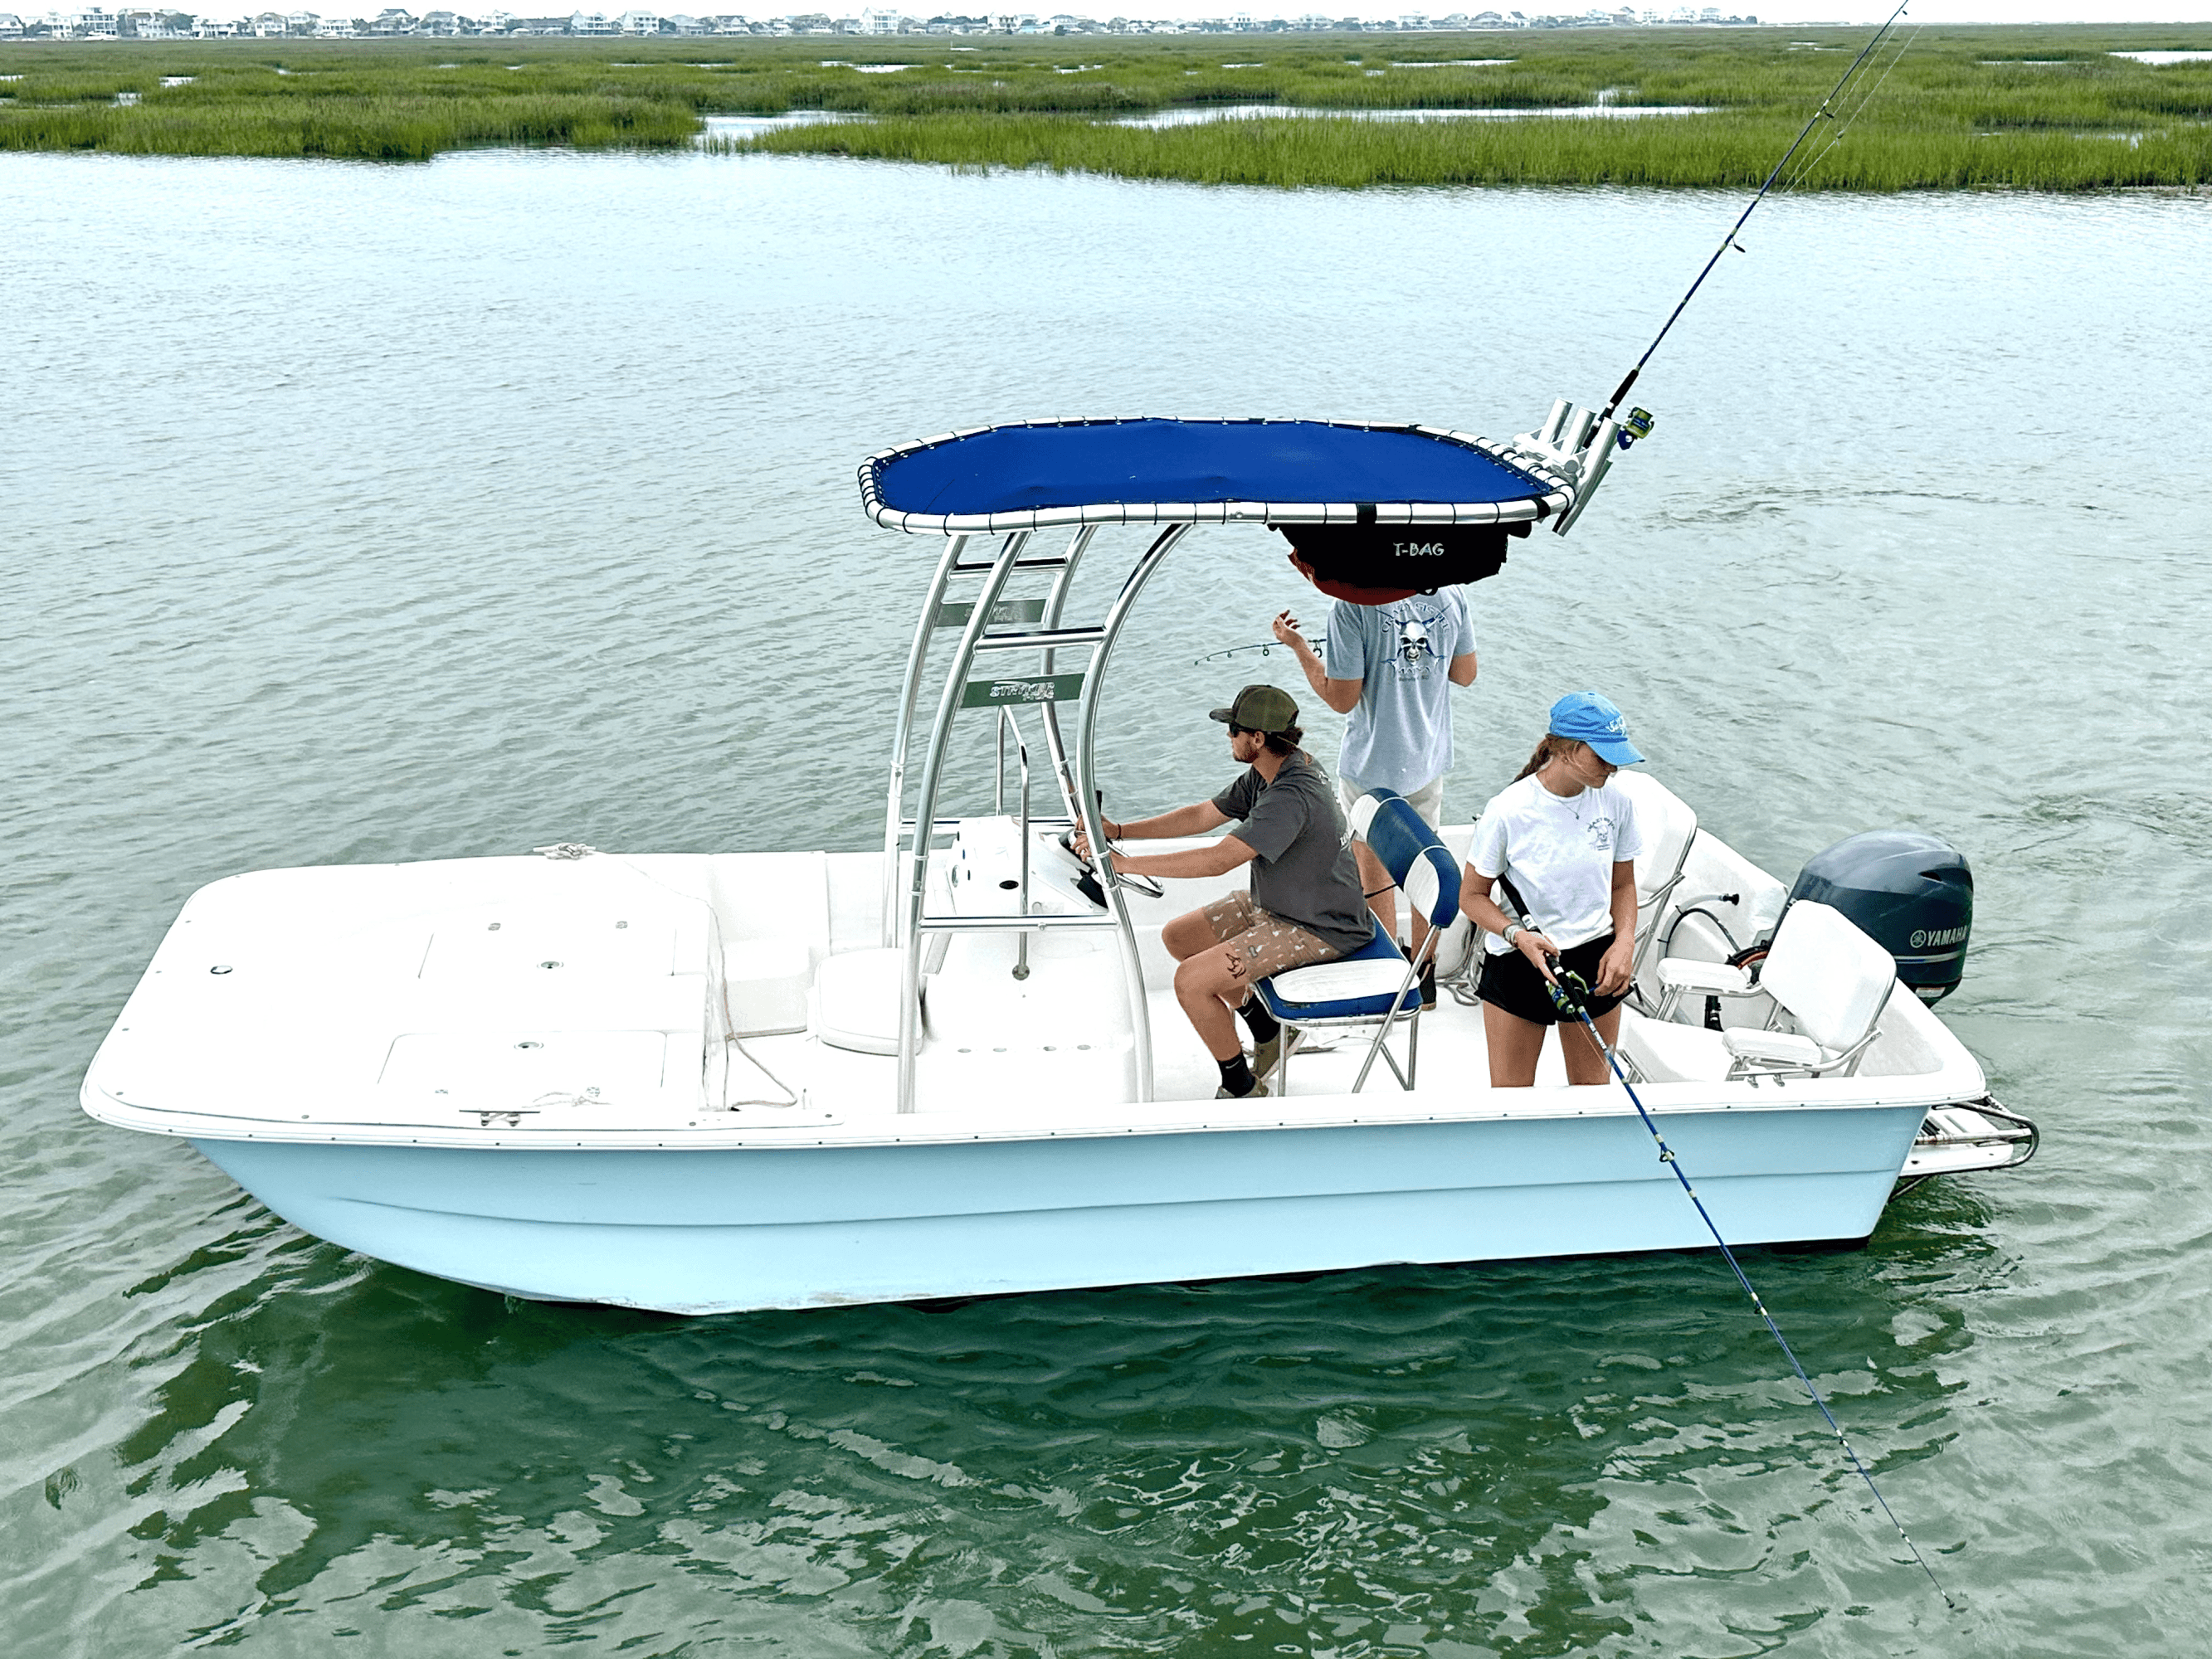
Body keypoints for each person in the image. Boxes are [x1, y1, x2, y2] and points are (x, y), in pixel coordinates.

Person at [1072, 684, 1372, 1100]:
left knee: (1191, 982)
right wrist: (1121, 832)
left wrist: (1123, 864)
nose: (1227, 736)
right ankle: (1268, 1030)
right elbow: (1202, 815)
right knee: (1179, 938)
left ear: (1257, 738)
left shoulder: (1290, 795)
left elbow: (1219, 860)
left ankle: (1241, 1085)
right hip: (1282, 904)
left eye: (1233, 729)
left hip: (1320, 925)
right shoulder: (1271, 771)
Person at [1270, 585, 1476, 1003]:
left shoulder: (1352, 604)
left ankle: (1394, 978)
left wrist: (1298, 647)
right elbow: (1465, 673)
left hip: (1372, 767)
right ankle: (1426, 972)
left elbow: (1341, 699)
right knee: (1425, 870)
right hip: (1426, 760)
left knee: (1375, 871)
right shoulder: (1452, 594)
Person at [1458, 691, 1649, 1088]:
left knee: (1593, 1096)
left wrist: (1625, 942)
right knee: (1512, 1105)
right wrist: (1517, 935)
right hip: (1521, 959)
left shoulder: (1617, 803)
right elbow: (1471, 897)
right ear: (1568, 750)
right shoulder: (1508, 810)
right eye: (1603, 756)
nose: (1613, 768)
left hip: (1597, 960)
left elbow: (1623, 883)